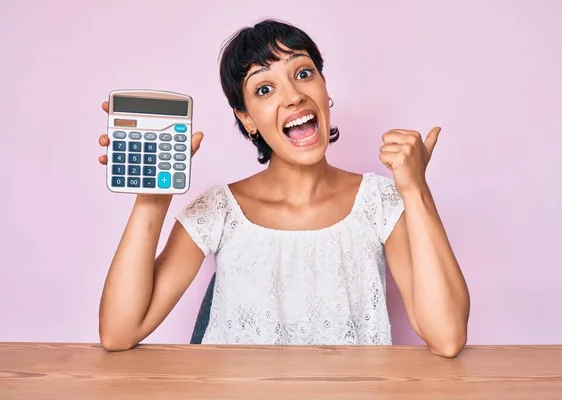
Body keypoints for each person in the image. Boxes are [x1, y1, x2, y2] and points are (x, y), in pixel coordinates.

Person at [97, 18, 470, 357]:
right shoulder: (218, 210)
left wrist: (416, 190)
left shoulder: (380, 203)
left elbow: (447, 337)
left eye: (304, 73)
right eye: (263, 90)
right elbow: (118, 333)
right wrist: (152, 200)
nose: (293, 96)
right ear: (247, 119)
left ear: (325, 91)